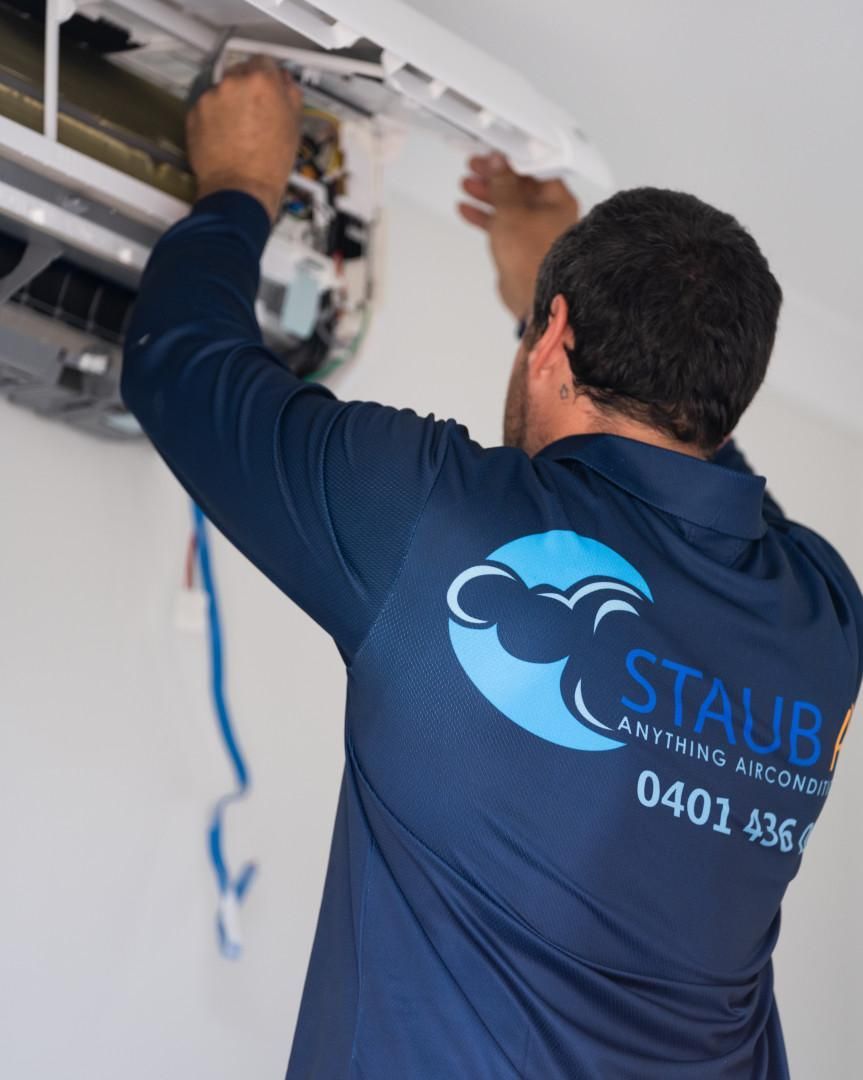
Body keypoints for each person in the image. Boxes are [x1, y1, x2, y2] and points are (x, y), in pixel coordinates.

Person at [121, 57, 862, 1080]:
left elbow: (180, 368)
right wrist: (549, 297)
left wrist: (241, 182)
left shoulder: (442, 520)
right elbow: (705, 486)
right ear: (724, 395)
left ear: (549, 337)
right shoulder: (823, 621)